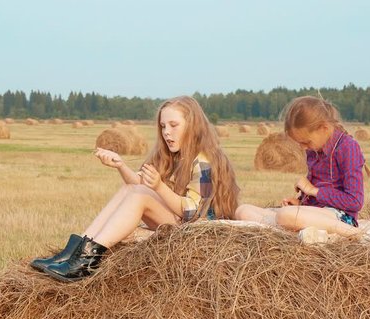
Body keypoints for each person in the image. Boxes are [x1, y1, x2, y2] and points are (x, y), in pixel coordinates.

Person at [31, 96, 240, 281]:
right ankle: (75, 251)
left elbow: (192, 212)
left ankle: (87, 261)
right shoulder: (170, 155)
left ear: (192, 125)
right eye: (163, 126)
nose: (167, 132)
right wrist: (120, 165)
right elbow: (139, 185)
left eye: (173, 125)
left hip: (198, 233)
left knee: (138, 197)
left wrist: (158, 186)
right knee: (128, 193)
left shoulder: (204, 161)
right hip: (177, 226)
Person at [235, 95, 370, 241]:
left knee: (285, 215)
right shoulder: (313, 151)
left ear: (324, 128)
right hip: (314, 214)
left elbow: (355, 201)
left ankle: (354, 234)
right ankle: (295, 230)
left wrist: (314, 191)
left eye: (306, 142)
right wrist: (302, 202)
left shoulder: (348, 147)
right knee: (243, 211)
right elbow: (317, 193)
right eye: (299, 143)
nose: (302, 148)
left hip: (340, 217)